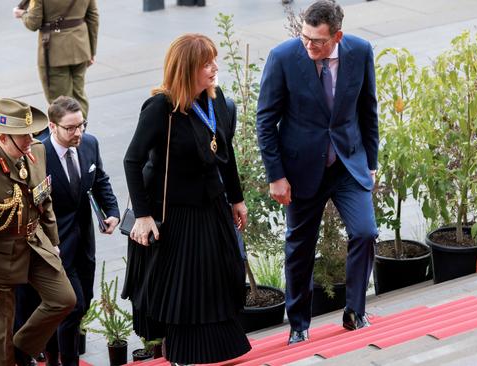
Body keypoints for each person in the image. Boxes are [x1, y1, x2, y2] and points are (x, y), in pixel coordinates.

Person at [122, 33, 251, 364]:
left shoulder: (216, 100)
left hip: (213, 206)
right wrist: (143, 215)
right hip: (178, 214)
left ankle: (223, 350)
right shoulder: (160, 108)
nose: (214, 68)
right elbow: (132, 161)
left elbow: (227, 152)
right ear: (187, 68)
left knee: (223, 275)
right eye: (206, 63)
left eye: (214, 60)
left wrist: (237, 199)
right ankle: (185, 355)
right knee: (187, 288)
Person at [256, 0, 379, 344]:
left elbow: (368, 109)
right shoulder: (283, 57)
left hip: (347, 164)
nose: (309, 45)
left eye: (318, 41)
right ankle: (299, 324)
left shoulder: (360, 51)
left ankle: (355, 312)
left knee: (366, 232)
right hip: (300, 169)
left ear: (337, 36)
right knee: (299, 247)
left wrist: (371, 163)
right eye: (305, 37)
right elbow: (265, 121)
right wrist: (276, 175)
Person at [0, 98, 76, 366]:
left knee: (65, 299)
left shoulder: (36, 151)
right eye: (22, 136)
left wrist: (54, 241)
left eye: (30, 133)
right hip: (0, 255)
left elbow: (44, 199)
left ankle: (22, 347)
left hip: (35, 243)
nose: (30, 140)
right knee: (1, 331)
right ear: (2, 138)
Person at [42, 95, 119, 365]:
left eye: (81, 125)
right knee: (72, 306)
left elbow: (100, 180)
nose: (79, 132)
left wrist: (112, 212)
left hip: (84, 240)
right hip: (55, 245)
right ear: (52, 127)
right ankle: (62, 360)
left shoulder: (89, 143)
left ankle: (52, 353)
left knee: (83, 301)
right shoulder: (39, 155)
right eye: (71, 128)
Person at [13, 0, 99, 118]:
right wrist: (92, 51)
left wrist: (22, 14)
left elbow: (34, 23)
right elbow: (93, 17)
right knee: (78, 94)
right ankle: (81, 130)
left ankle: (71, 133)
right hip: (81, 47)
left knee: (60, 103)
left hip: (54, 52)